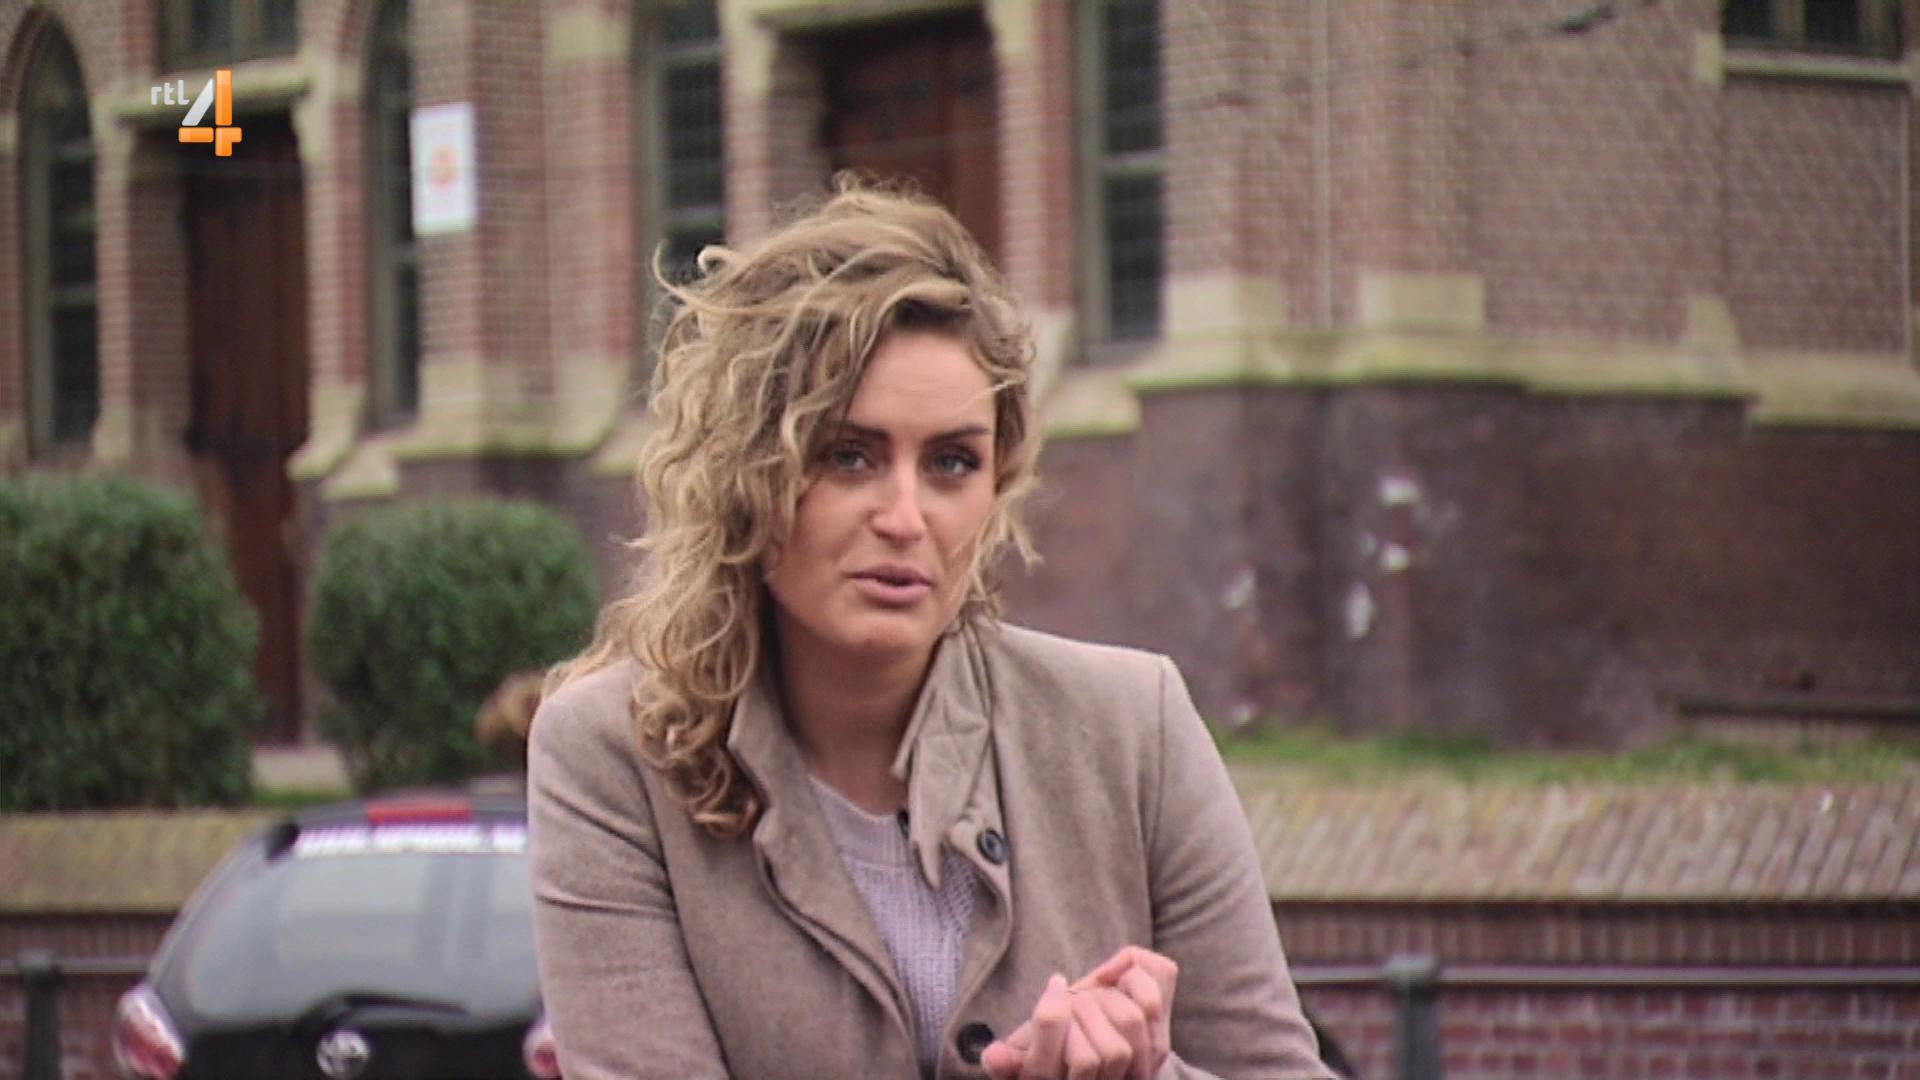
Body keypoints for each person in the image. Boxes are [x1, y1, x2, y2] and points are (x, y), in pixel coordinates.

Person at [527, 182, 1332, 1080]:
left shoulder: (1132, 725)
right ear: (747, 472)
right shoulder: (612, 757)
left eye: (951, 462)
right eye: (849, 456)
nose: (907, 518)